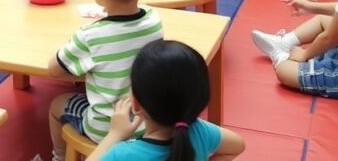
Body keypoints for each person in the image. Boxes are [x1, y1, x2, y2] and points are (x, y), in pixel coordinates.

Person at [46, 0, 164, 160]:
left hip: (105, 128)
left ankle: (59, 157)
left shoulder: (90, 36)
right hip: (149, 123)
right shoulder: (154, 20)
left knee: (55, 104)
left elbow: (54, 70)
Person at [87, 40, 246, 161]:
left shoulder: (123, 154)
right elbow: (238, 145)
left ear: (135, 104)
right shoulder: (200, 132)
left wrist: (115, 134)